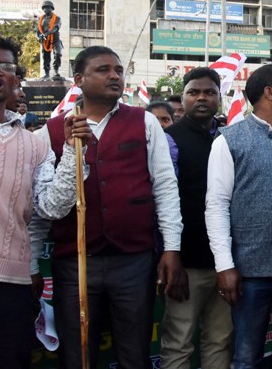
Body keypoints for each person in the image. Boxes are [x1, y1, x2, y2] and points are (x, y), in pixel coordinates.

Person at [39, 46, 187, 369]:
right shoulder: (50, 132)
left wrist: (171, 249)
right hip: (74, 262)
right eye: (103, 69)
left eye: (118, 70)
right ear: (78, 79)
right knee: (78, 355)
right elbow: (46, 209)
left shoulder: (145, 122)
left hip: (133, 261)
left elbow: (165, 188)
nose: (114, 76)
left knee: (134, 354)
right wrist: (70, 151)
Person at [0, 32, 78, 368]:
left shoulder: (36, 144)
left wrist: (70, 151)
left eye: (6, 67)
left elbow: (52, 206)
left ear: (16, 80)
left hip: (12, 286)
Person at [206, 64, 272, 368]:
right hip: (249, 270)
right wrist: (225, 266)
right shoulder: (228, 140)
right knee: (246, 355)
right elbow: (216, 206)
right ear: (269, 92)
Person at [160, 67, 233, 369]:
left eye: (209, 92)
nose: (201, 98)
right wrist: (171, 255)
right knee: (178, 342)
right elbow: (163, 202)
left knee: (220, 340)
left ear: (219, 98)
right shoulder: (168, 141)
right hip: (185, 263)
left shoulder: (230, 139)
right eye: (194, 92)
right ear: (184, 97)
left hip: (225, 263)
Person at [36, 0, 63, 80]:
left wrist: (46, 34)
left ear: (52, 9)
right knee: (46, 57)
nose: (46, 9)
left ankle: (56, 71)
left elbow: (55, 28)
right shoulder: (41, 19)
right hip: (45, 41)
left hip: (55, 40)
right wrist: (38, 37)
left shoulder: (57, 18)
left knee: (58, 54)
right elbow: (37, 30)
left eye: (48, 8)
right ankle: (46, 74)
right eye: (45, 8)